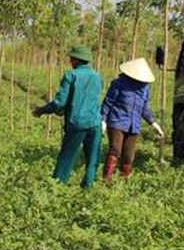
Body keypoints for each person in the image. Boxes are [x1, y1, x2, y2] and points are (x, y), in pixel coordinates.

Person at [33, 45, 104, 188]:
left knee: (66, 159)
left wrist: (41, 110)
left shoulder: (70, 76)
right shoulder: (98, 77)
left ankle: (56, 188)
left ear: (78, 60)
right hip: (95, 123)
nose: (70, 61)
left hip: (77, 124)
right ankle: (87, 189)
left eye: (72, 58)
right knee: (92, 160)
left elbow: (60, 103)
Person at [100, 57, 164, 184]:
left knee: (129, 156)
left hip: (133, 125)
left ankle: (123, 182)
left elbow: (144, 108)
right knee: (115, 150)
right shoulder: (119, 83)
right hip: (117, 121)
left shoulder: (144, 88)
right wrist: (103, 120)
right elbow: (108, 102)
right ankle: (106, 181)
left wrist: (153, 123)